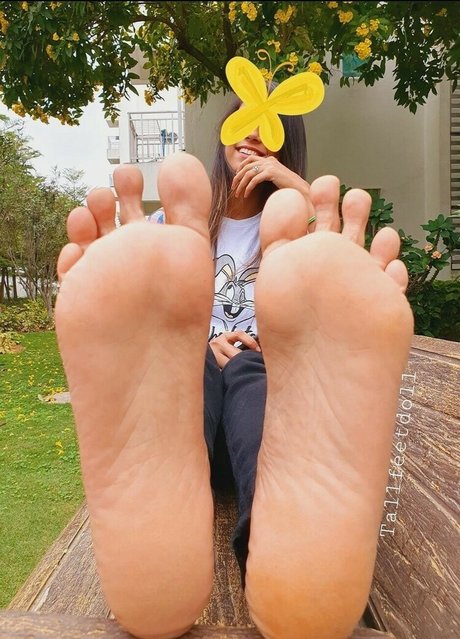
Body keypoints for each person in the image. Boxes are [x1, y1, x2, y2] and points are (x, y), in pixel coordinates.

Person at [55, 94, 413, 639]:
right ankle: (168, 510)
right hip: (189, 409)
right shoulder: (169, 229)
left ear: (287, 149)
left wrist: (292, 186)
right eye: (242, 123)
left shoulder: (306, 239)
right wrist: (204, 343)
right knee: (190, 367)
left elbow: (323, 303)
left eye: (268, 129)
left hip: (262, 419)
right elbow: (155, 310)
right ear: (222, 135)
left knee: (251, 373)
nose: (251, 137)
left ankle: (294, 553)